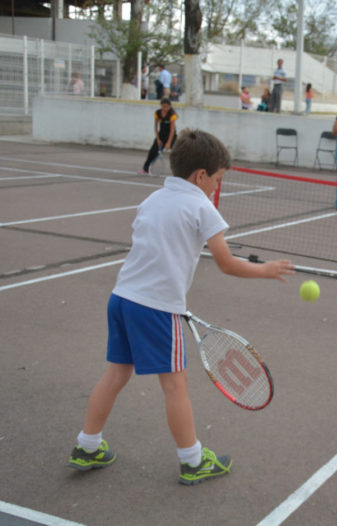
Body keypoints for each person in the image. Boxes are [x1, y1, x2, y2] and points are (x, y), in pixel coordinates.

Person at [67, 128, 295, 484]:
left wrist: (174, 291)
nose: (217, 187)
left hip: (122, 298)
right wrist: (264, 270)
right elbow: (226, 263)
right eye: (217, 179)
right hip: (156, 310)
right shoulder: (202, 207)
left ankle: (87, 446)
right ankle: (192, 460)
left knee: (116, 374)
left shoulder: (152, 200)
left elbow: (154, 248)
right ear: (201, 176)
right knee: (175, 386)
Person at [139, 98, 178, 176]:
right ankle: (146, 169)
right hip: (161, 135)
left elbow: (172, 130)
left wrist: (169, 143)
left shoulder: (172, 114)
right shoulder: (158, 113)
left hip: (171, 136)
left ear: (169, 106)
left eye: (166, 107)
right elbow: (156, 126)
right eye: (163, 106)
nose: (164, 108)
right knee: (152, 151)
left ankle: (179, 172)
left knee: (176, 154)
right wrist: (158, 139)